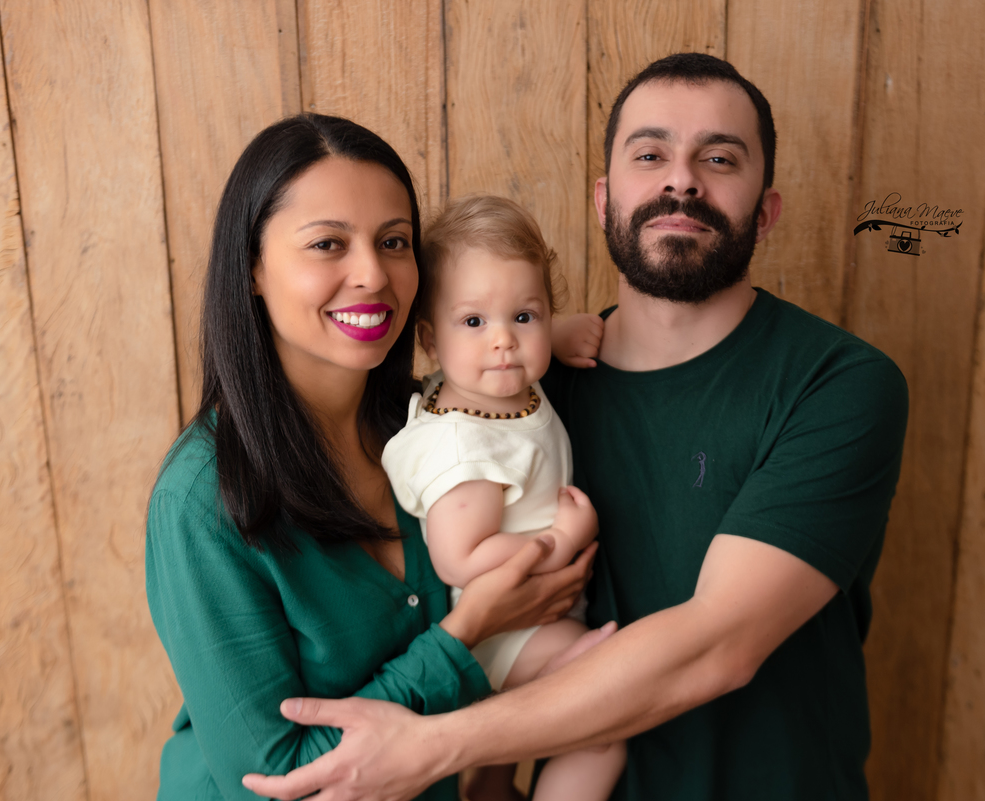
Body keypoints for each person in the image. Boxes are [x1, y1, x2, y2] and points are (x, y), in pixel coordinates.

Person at [243, 53, 909, 801]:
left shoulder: (837, 385)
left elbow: (718, 646)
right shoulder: (520, 388)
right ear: (603, 199)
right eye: (649, 154)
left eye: (719, 158)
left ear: (766, 210)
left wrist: (432, 748)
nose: (682, 180)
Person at [145, 114, 595, 801]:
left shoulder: (438, 421)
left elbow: (504, 333)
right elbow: (276, 780)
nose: (373, 274)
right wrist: (470, 628)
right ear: (253, 268)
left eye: (393, 242)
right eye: (327, 243)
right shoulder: (200, 501)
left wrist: (558, 332)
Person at [380, 194, 625, 801]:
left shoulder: (480, 383)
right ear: (430, 340)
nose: (503, 343)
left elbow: (503, 333)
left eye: (524, 316)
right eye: (474, 323)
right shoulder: (468, 450)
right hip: (506, 634)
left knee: (520, 740)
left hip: (533, 616)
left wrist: (553, 334)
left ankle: (488, 787)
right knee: (605, 713)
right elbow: (459, 558)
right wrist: (560, 540)